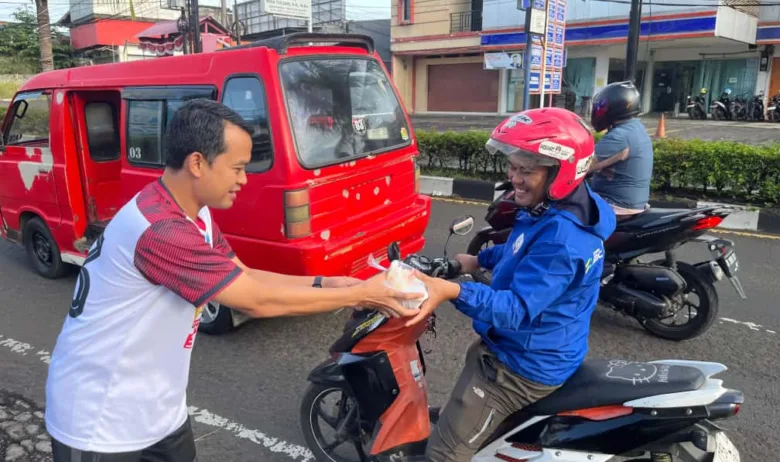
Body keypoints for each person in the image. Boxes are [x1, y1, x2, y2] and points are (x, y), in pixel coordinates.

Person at [44, 99, 422, 462]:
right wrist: (363, 294)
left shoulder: (193, 213)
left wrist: (326, 283)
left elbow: (245, 275)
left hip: (158, 407)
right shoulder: (160, 229)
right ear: (197, 163)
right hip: (100, 415)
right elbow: (254, 300)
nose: (243, 178)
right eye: (237, 167)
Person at [406, 107, 617, 462]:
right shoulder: (566, 208)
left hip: (520, 367)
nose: (514, 178)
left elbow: (515, 309)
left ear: (561, 173)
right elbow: (524, 250)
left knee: (442, 455)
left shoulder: (564, 240)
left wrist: (450, 290)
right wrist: (476, 260)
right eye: (512, 166)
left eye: (526, 171)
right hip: (537, 346)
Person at [588, 81, 654, 220]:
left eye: (603, 106)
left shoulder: (620, 137)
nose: (599, 110)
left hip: (616, 206)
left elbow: (583, 167)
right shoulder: (634, 128)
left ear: (616, 108)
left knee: (564, 215)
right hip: (630, 203)